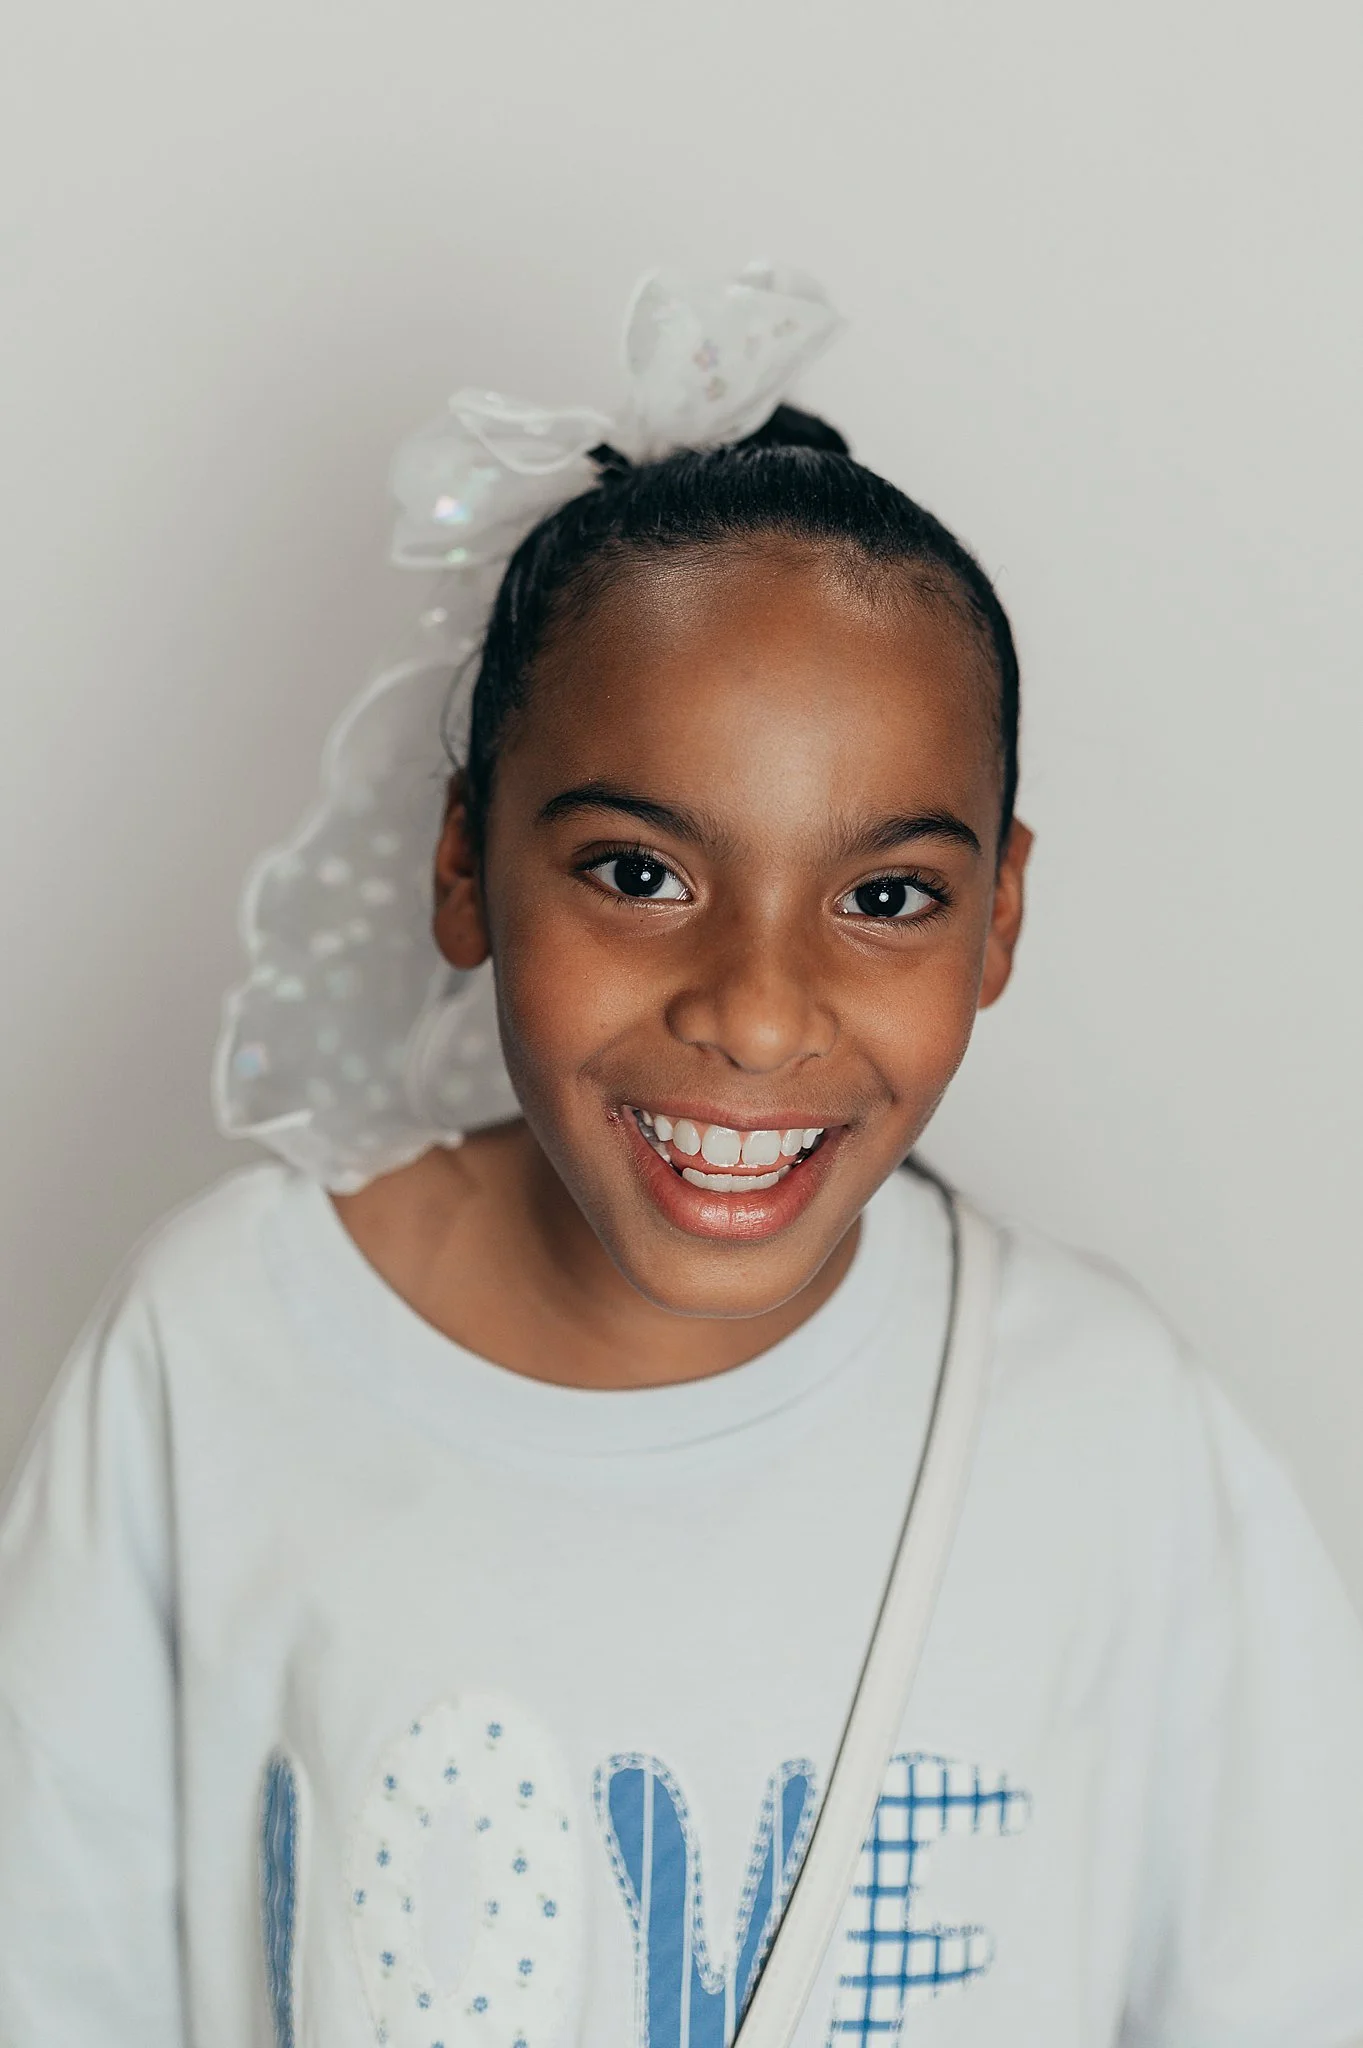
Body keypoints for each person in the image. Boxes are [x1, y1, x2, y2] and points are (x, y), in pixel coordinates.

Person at [1, 266, 1360, 2048]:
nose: (757, 1011)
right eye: (640, 873)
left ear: (999, 916)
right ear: (464, 861)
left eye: (885, 898)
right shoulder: (218, 1353)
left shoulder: (1109, 1433)